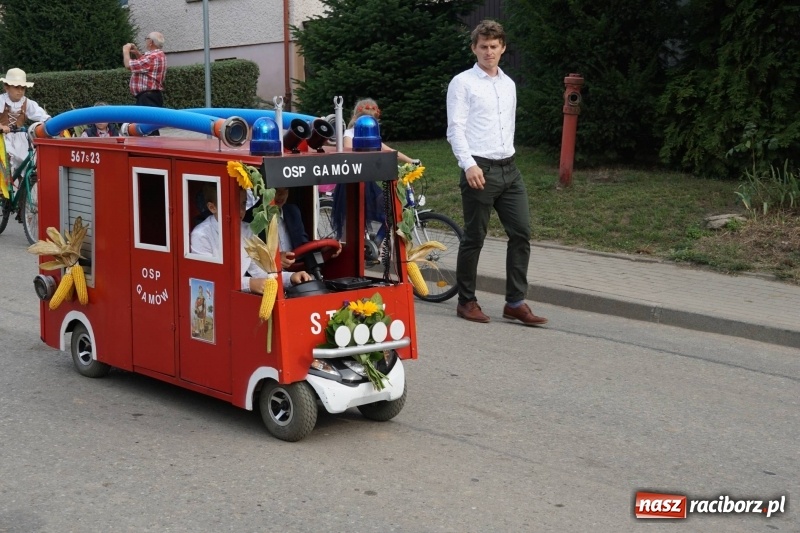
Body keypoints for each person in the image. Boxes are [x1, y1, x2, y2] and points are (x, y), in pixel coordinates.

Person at [446, 20, 548, 327]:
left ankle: (515, 302)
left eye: (494, 46)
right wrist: (469, 164)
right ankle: (466, 301)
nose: (488, 52)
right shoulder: (463, 83)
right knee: (474, 237)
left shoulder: (508, 84)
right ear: (474, 49)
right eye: (483, 47)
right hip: (480, 168)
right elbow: (455, 129)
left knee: (521, 232)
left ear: (502, 48)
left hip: (510, 169)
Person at [190, 185, 312, 294]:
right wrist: (249, 284)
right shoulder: (201, 235)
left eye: (243, 204)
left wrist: (291, 278)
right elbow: (209, 278)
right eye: (232, 205)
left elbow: (261, 271)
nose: (241, 211)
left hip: (236, 297)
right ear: (212, 207)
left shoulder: (247, 230)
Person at [334, 98, 420, 244]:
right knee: (352, 223)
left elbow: (390, 151)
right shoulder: (350, 134)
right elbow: (348, 154)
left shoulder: (373, 137)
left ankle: (376, 243)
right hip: (352, 183)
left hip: (368, 183)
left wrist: (411, 161)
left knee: (389, 210)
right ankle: (358, 246)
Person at [272, 187, 341, 269]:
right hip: (269, 273)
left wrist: (323, 248)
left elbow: (302, 245)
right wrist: (275, 259)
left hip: (296, 270)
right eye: (276, 190)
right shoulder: (259, 218)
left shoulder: (292, 212)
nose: (281, 194)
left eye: (286, 189)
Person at [0, 68, 50, 174]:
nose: (20, 91)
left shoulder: (27, 102)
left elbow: (40, 114)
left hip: (19, 136)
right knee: (5, 160)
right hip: (2, 137)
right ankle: (6, 181)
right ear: (7, 87)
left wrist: (49, 121)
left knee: (26, 161)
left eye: (22, 88)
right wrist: (1, 126)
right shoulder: (1, 100)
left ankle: (25, 180)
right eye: (16, 87)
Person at [122, 31, 167, 135]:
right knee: (150, 125)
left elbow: (128, 65)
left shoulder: (152, 57)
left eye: (146, 39)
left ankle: (153, 144)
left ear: (150, 42)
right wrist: (137, 53)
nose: (146, 41)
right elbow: (145, 66)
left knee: (148, 128)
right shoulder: (159, 55)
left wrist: (125, 50)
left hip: (147, 97)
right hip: (152, 96)